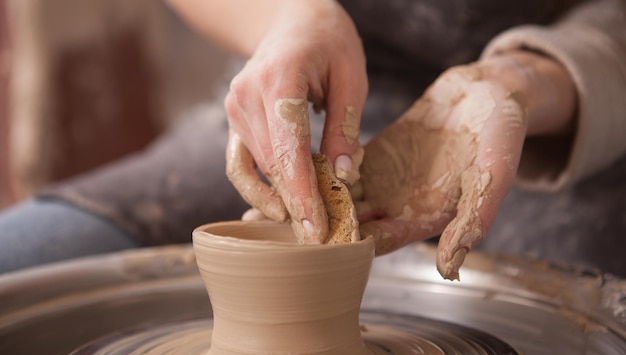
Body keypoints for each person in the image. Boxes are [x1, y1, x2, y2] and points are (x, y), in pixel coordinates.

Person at [0, 0, 625, 278]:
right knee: (21, 258)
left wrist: (527, 79)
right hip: (305, 96)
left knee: (585, 339)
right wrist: (287, 18)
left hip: (554, 115)